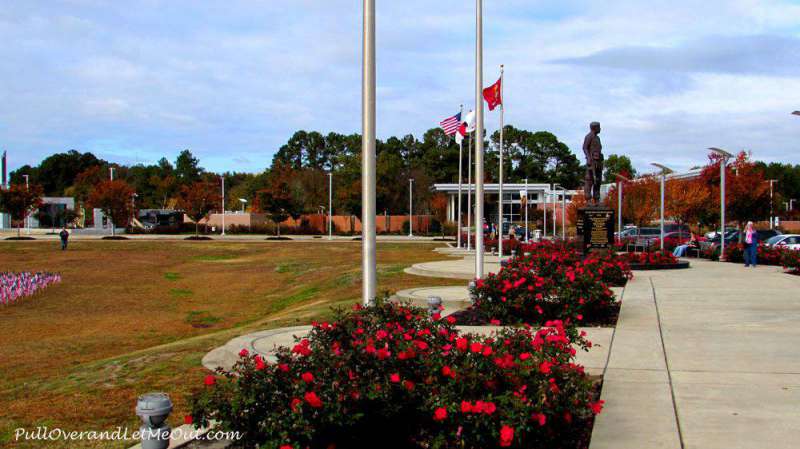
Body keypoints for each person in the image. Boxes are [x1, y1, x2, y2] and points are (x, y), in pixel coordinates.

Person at [582, 121, 604, 204]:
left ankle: (597, 199)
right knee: (589, 180)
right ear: (594, 128)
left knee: (598, 181)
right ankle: (588, 199)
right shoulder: (589, 136)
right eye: (599, 127)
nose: (600, 129)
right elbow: (584, 148)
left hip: (598, 162)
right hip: (591, 162)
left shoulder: (597, 138)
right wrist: (588, 158)